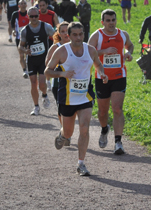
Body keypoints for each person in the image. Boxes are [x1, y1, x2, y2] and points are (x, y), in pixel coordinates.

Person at [44, 22, 108, 176]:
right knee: (68, 132)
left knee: (84, 128)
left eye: (81, 34)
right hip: (67, 97)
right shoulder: (61, 51)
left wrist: (103, 73)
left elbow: (98, 65)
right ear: (68, 35)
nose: (78, 37)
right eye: (75, 34)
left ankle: (81, 163)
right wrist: (62, 74)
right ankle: (62, 135)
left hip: (85, 95)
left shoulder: (90, 50)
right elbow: (47, 71)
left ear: (84, 34)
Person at [88, 10, 135, 155]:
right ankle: (104, 129)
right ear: (102, 22)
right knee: (103, 112)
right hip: (102, 76)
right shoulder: (97, 36)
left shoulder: (122, 34)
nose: (111, 23)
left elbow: (130, 45)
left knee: (117, 109)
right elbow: (89, 53)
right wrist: (104, 51)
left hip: (119, 76)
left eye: (113, 20)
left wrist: (129, 54)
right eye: (108, 20)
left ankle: (118, 142)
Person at [19, 7, 56, 116]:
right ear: (28, 16)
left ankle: (44, 95)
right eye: (31, 16)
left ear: (39, 16)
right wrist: (25, 50)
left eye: (36, 16)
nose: (34, 18)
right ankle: (36, 107)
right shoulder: (25, 30)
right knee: (33, 83)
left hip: (43, 60)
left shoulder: (46, 27)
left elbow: (56, 37)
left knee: (42, 84)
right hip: (31, 60)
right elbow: (20, 46)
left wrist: (55, 50)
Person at [10, 0, 30, 78]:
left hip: (29, 37)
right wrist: (13, 31)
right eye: (21, 3)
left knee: (28, 54)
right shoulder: (15, 14)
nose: (23, 4)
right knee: (21, 55)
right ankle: (24, 70)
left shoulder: (29, 13)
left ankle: (29, 68)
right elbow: (12, 24)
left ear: (26, 5)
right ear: (19, 5)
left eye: (24, 3)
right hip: (19, 37)